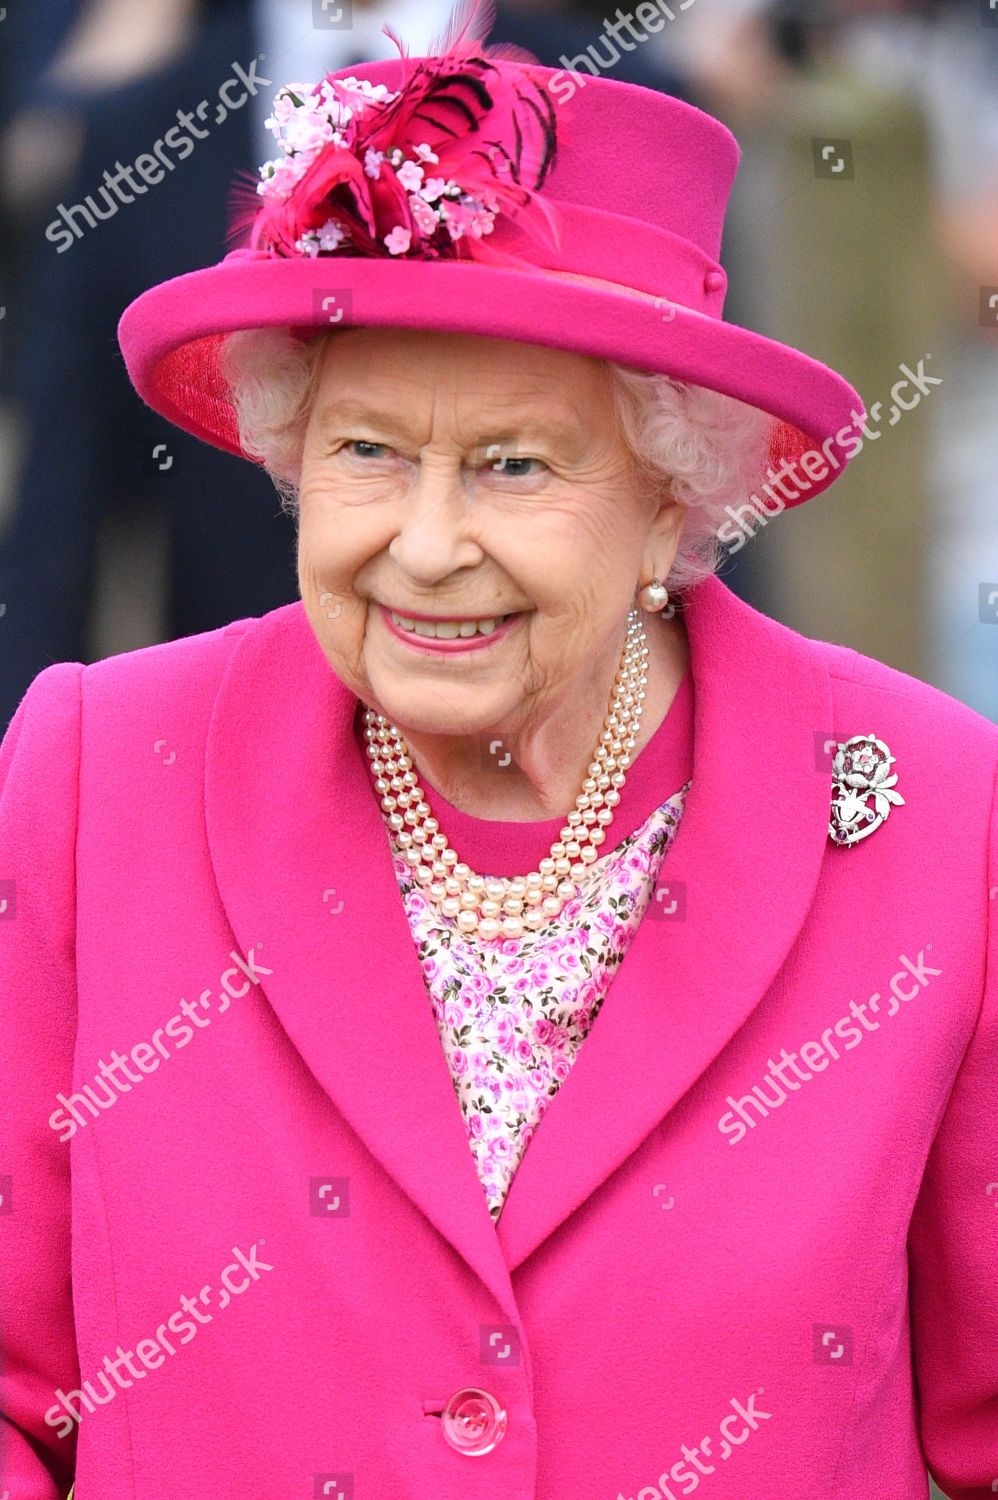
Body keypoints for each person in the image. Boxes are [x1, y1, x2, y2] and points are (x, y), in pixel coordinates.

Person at [2, 6, 996, 1497]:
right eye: (365, 452)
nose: (423, 543)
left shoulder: (933, 812)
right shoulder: (95, 773)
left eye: (514, 464)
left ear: (676, 493)